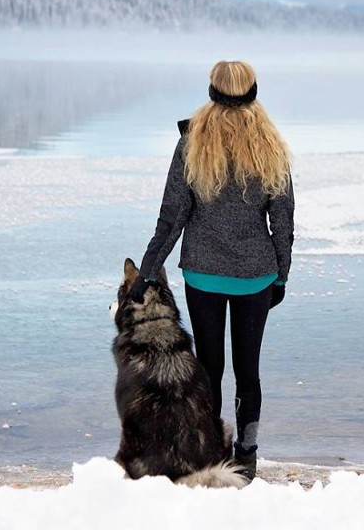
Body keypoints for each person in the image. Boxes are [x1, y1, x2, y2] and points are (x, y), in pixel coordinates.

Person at [128, 60, 294, 480]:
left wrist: (148, 271)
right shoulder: (271, 144)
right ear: (254, 92)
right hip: (256, 275)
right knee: (248, 371)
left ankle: (212, 451)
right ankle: (248, 456)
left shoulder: (192, 143)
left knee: (209, 369)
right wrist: (281, 275)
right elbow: (284, 219)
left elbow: (172, 217)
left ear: (211, 91)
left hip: (202, 274)